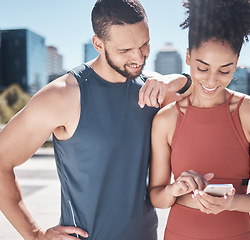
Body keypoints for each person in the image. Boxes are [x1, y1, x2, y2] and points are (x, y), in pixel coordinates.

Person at [0, 0, 192, 239]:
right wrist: (36, 234)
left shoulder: (154, 89)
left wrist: (179, 80)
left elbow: (212, 94)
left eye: (145, 45)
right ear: (98, 44)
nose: (139, 57)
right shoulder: (62, 95)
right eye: (125, 50)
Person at [148, 0, 250, 239]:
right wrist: (174, 189)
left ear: (236, 63)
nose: (211, 80)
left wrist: (231, 203)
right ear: (188, 57)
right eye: (203, 67)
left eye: (225, 70)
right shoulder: (166, 119)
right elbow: (157, 196)